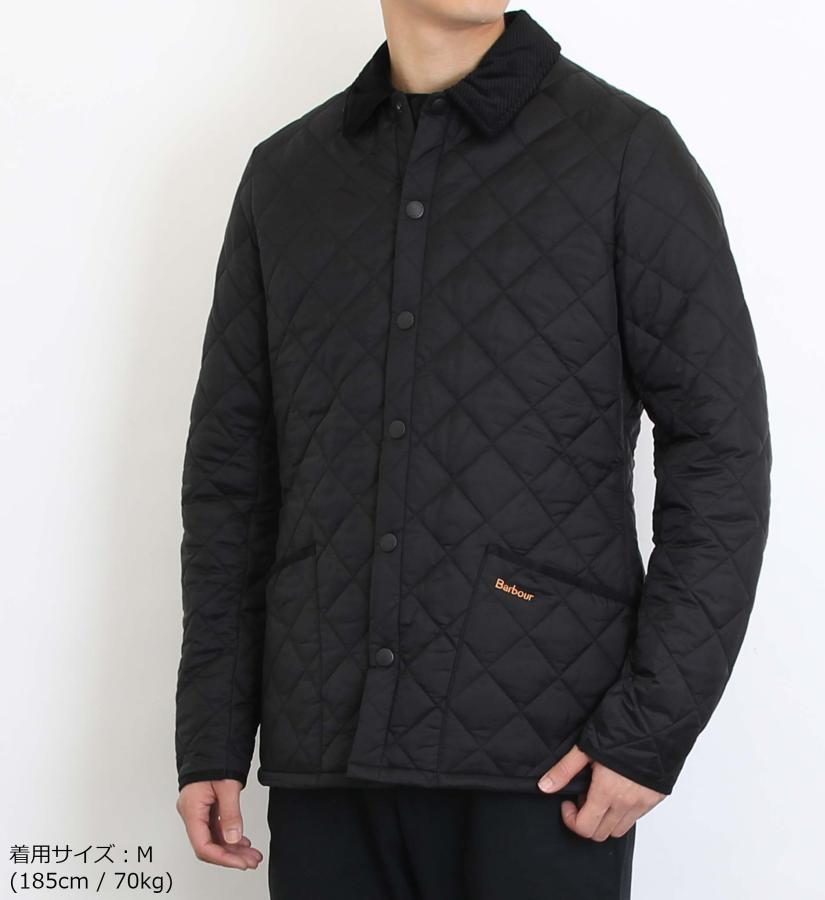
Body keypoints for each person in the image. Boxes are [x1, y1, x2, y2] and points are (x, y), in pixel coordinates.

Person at [174, 2, 771, 898]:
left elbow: (721, 449)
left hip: (546, 767)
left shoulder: (623, 154)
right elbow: (233, 479)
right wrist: (213, 733)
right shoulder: (287, 178)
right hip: (327, 759)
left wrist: (652, 727)